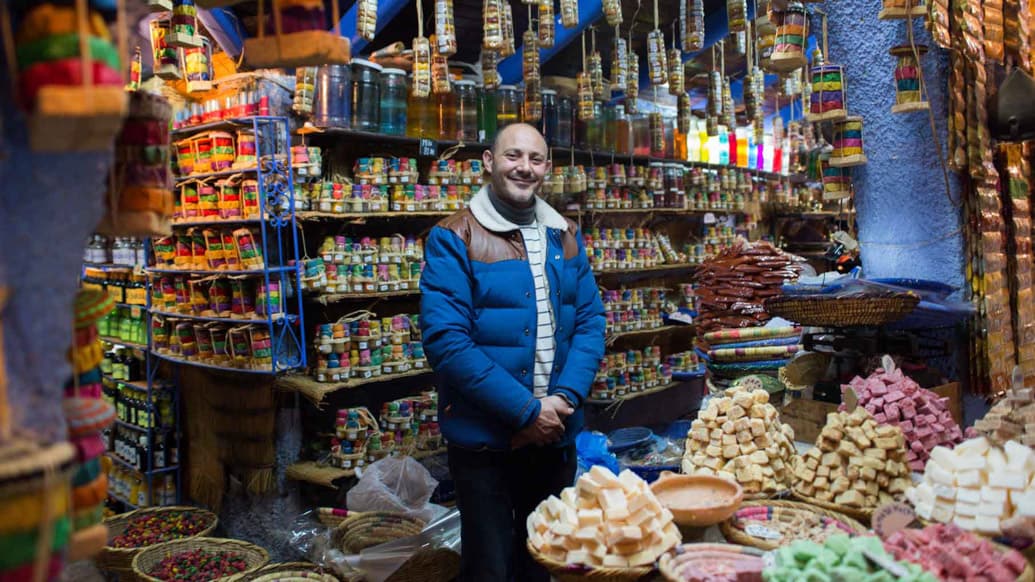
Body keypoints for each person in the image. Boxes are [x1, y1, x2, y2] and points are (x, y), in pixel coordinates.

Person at [420, 123, 606, 581]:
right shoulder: (454, 237)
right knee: (489, 567)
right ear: (488, 162)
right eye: (513, 156)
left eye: (536, 159)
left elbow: (591, 322)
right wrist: (525, 411)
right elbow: (447, 341)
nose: (524, 167)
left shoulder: (564, 235)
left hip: (555, 435)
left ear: (547, 168)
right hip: (486, 442)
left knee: (544, 560)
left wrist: (562, 402)